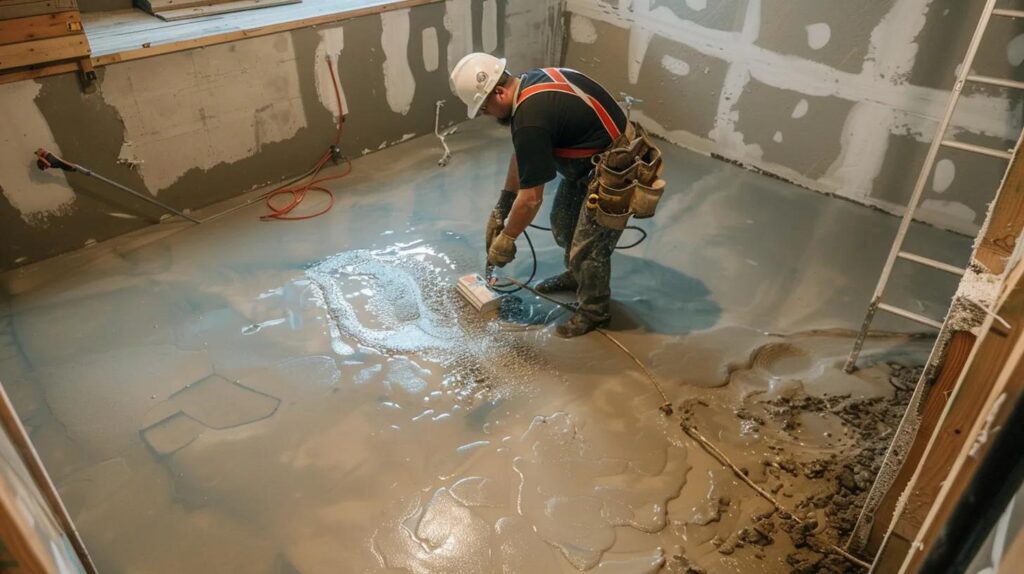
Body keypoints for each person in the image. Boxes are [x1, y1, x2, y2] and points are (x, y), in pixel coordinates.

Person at [449, 53, 633, 338]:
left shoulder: (530, 117)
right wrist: (503, 204)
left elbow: (532, 199)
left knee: (588, 248)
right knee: (562, 225)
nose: (485, 115)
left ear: (498, 91)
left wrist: (507, 238)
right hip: (588, 165)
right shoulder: (527, 86)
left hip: (616, 172)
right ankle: (576, 275)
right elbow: (522, 154)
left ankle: (594, 311)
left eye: (484, 108)